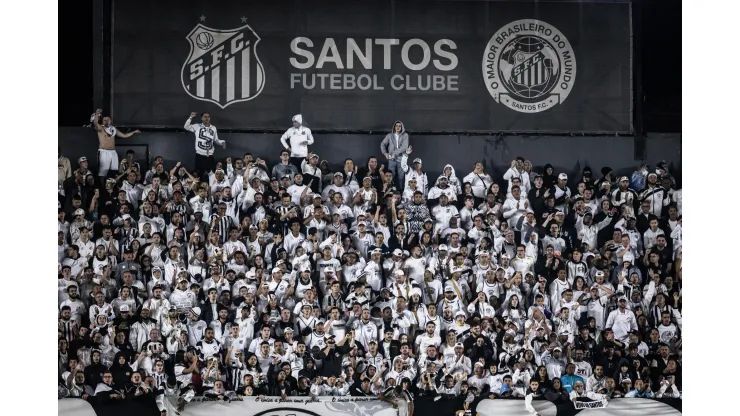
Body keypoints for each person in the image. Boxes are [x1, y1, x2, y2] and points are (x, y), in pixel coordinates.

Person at [92, 109, 141, 185]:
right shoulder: (101, 128)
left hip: (113, 152)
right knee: (102, 173)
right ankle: (102, 188)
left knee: (114, 171)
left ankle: (113, 186)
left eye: (108, 120)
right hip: (104, 152)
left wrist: (134, 132)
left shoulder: (113, 129)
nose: (106, 121)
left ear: (110, 121)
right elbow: (95, 123)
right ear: (102, 121)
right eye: (105, 120)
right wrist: (97, 114)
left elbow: (124, 135)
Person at [184, 111, 226, 179]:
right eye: (205, 117)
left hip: (210, 155)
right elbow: (186, 127)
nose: (207, 118)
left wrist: (222, 142)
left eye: (208, 117)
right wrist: (191, 117)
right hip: (199, 155)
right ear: (202, 118)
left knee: (212, 175)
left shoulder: (213, 128)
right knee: (198, 175)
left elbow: (215, 139)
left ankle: (212, 188)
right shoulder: (197, 126)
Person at [380, 121, 409, 189]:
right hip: (391, 159)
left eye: (399, 126)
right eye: (396, 126)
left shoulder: (405, 135)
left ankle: (401, 193)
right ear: (394, 127)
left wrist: (393, 153)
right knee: (390, 177)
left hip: (401, 159)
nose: (398, 127)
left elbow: (404, 147)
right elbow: (382, 144)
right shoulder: (389, 135)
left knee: (401, 178)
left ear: (402, 127)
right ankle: (389, 191)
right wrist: (385, 153)